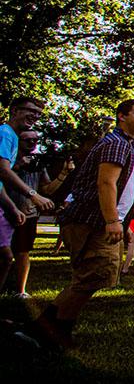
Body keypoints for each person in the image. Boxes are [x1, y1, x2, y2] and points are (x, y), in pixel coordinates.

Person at [20, 99, 134, 350]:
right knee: (92, 276)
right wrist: (112, 220)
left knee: (91, 277)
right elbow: (106, 183)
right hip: (93, 220)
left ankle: (50, 329)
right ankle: (49, 332)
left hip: (100, 221)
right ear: (122, 116)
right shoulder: (116, 144)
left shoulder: (126, 145)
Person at [8, 130, 72, 296]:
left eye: (35, 140)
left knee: (23, 251)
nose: (32, 143)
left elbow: (47, 189)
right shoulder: (7, 160)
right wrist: (17, 166)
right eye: (27, 140)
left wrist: (64, 174)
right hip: (5, 211)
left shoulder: (38, 165)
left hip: (28, 214)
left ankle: (20, 290)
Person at [0, 99, 57, 283]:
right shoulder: (5, 133)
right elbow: (3, 170)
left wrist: (12, 207)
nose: (35, 116)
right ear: (15, 110)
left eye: (39, 113)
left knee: (6, 257)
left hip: (6, 206)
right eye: (31, 111)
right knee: (5, 257)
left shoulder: (12, 137)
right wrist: (33, 194)